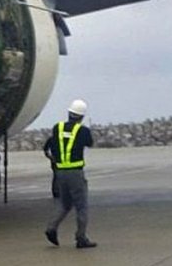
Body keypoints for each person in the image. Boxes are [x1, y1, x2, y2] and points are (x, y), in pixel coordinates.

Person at [44, 99, 97, 249]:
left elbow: (50, 145)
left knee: (65, 204)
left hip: (60, 172)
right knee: (82, 206)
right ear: (81, 116)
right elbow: (90, 143)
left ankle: (51, 228)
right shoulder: (83, 131)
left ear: (69, 113)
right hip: (75, 172)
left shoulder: (57, 128)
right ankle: (81, 238)